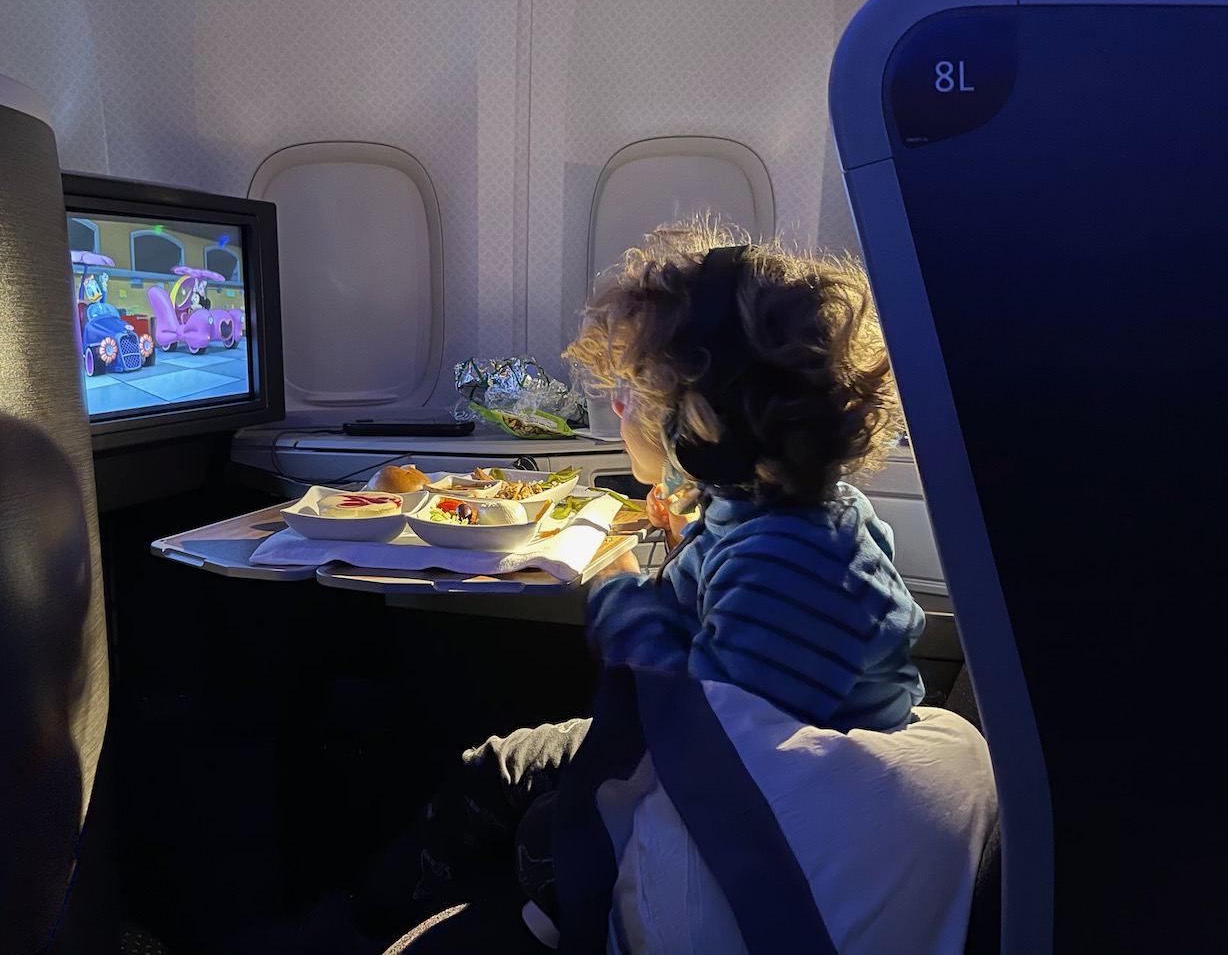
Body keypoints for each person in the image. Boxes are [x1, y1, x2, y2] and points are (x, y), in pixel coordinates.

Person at [263, 217, 936, 953]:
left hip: (747, 806)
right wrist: (684, 532)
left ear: (710, 420)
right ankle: (353, 921)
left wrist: (618, 590)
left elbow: (705, 731)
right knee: (497, 764)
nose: (617, 408)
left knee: (546, 826)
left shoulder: (790, 555)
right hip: (733, 756)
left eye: (636, 391)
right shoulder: (768, 512)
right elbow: (743, 648)